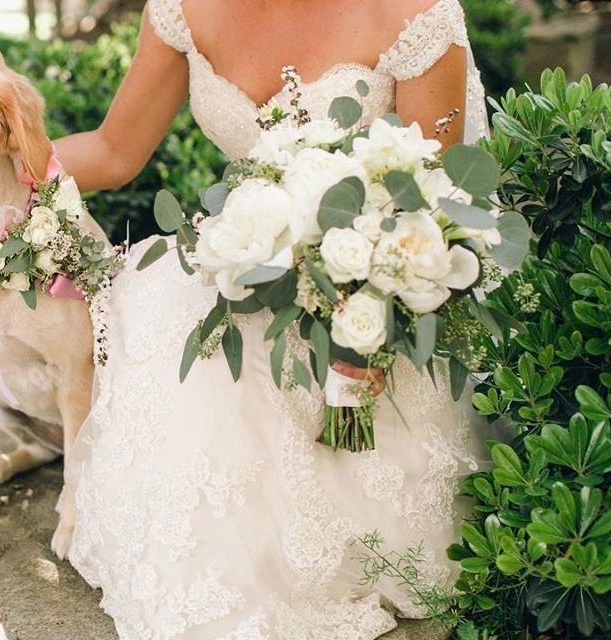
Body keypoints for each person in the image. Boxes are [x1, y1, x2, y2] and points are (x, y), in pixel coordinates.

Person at [52, 1, 492, 637]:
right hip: (248, 261)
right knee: (165, 318)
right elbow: (113, 149)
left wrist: (363, 301)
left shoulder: (416, 14)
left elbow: (433, 206)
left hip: (368, 298)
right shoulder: (181, 9)